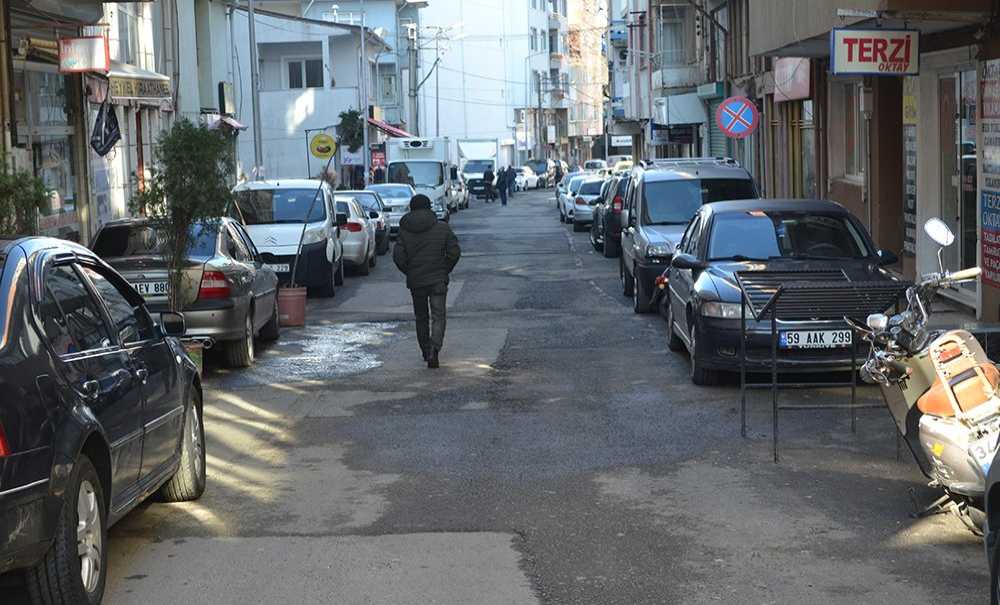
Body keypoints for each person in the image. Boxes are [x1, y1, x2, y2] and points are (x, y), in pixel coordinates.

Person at [393, 194, 461, 368]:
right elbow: (454, 252)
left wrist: (410, 271)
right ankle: (434, 349)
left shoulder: (404, 230)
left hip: (417, 282)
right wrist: (444, 269)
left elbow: (398, 257)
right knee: (438, 316)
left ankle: (425, 350)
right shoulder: (442, 228)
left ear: (412, 208)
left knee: (421, 317)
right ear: (429, 207)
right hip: (438, 279)